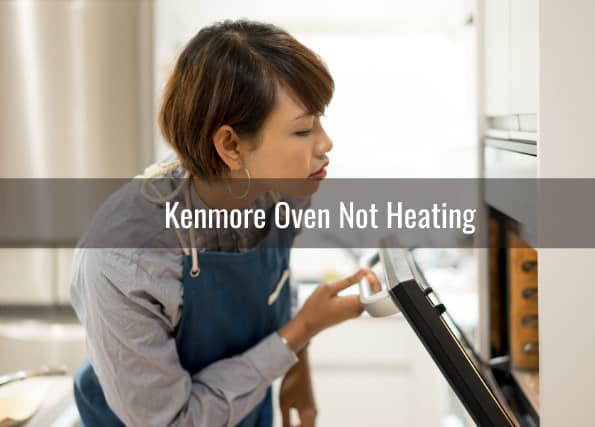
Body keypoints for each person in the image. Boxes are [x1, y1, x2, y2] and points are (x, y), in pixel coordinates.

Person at [70, 19, 378, 427]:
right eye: (303, 129)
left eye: (319, 120)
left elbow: (274, 284)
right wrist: (302, 329)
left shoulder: (283, 189)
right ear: (231, 145)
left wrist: (297, 370)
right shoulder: (123, 258)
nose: (325, 143)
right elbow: (175, 421)